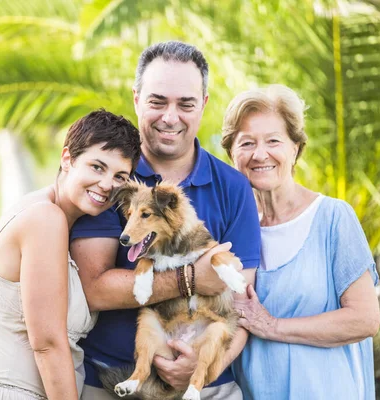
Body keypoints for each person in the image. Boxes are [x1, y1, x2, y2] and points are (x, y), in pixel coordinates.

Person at [70, 41, 262, 399]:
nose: (170, 117)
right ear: (137, 98)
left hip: (209, 388)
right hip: (112, 384)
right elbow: (94, 288)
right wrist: (189, 278)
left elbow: (242, 304)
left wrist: (204, 371)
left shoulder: (234, 186)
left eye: (185, 104)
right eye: (157, 101)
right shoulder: (111, 181)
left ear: (203, 104)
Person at [0, 109, 142, 400]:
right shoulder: (45, 218)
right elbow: (48, 344)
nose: (107, 185)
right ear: (67, 159)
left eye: (119, 176)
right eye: (97, 167)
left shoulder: (63, 222)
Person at [221, 84, 380, 400]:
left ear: (295, 148)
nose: (260, 153)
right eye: (247, 142)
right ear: (232, 154)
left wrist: (272, 326)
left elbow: (365, 319)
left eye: (273, 141)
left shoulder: (333, 218)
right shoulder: (230, 232)